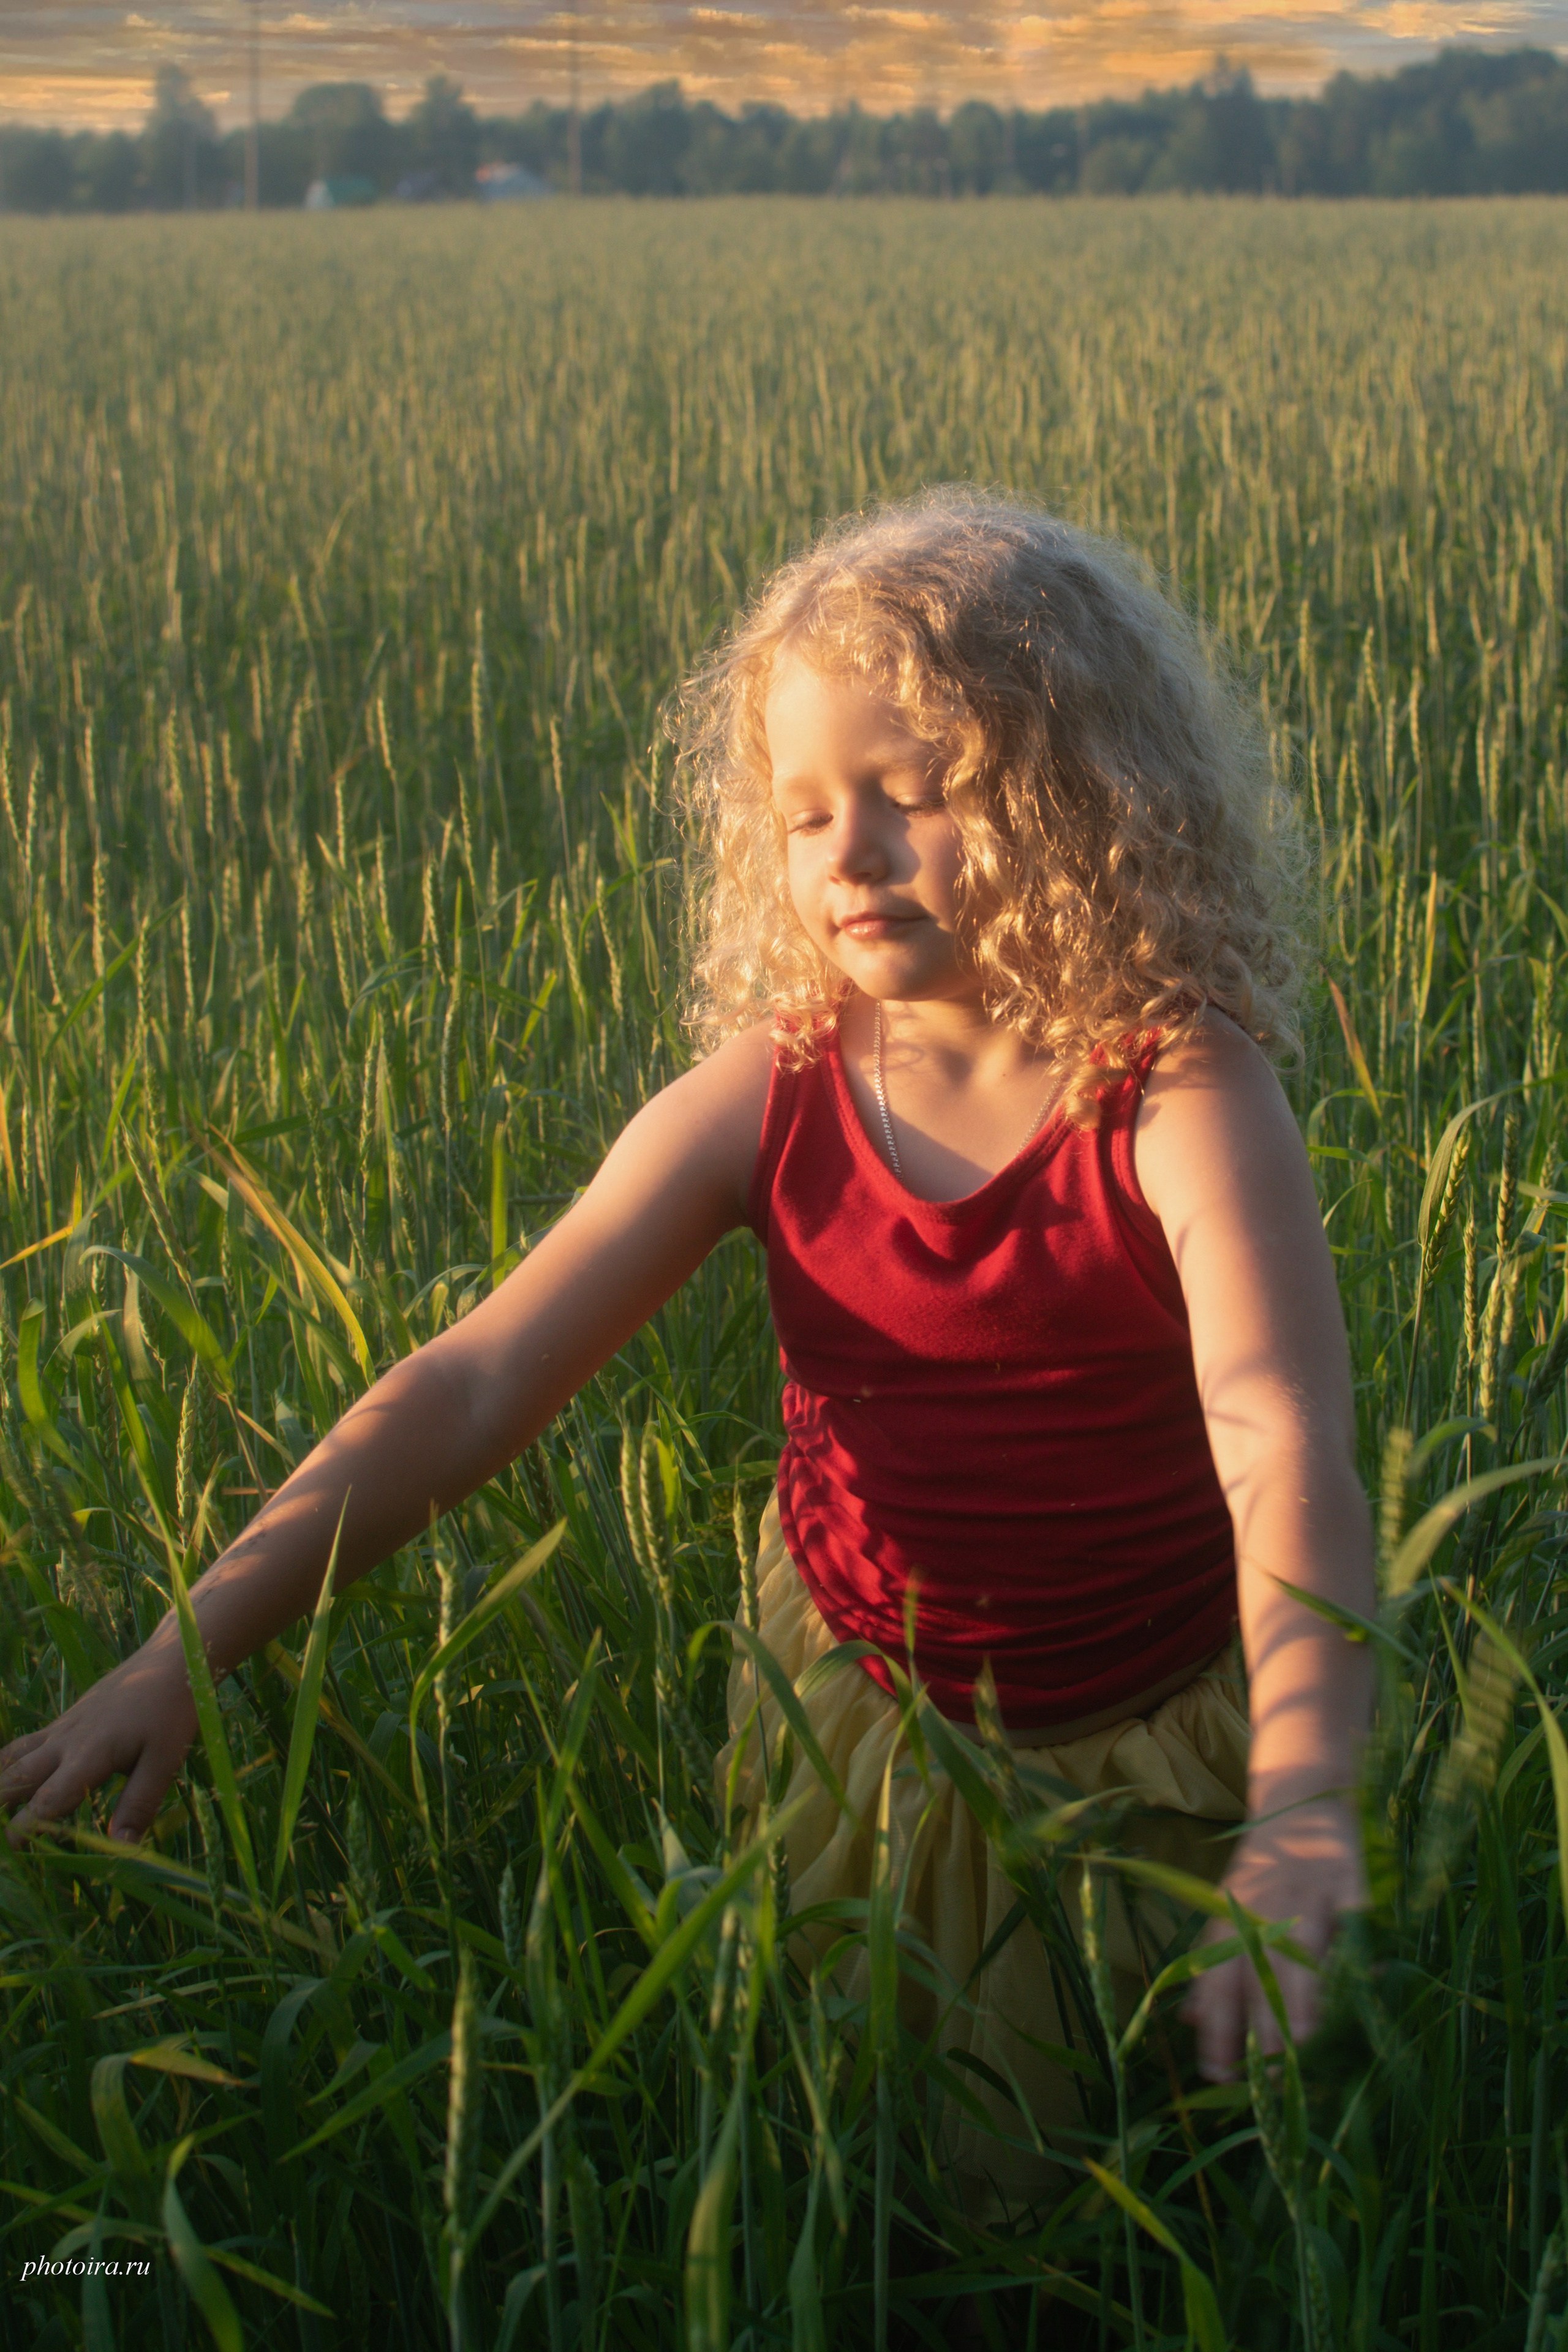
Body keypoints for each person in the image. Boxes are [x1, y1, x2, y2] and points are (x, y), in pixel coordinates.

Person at [0, 490, 1373, 2214]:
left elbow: (1279, 1450)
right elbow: (476, 1379)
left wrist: (1307, 1798)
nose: (850, 856)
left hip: (1139, 1725)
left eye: (915, 794)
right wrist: (179, 1651)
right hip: (862, 1712)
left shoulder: (1175, 1091)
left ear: (1079, 791)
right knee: (888, 2191)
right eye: (805, 815)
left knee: (1166, 2200)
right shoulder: (769, 1095)